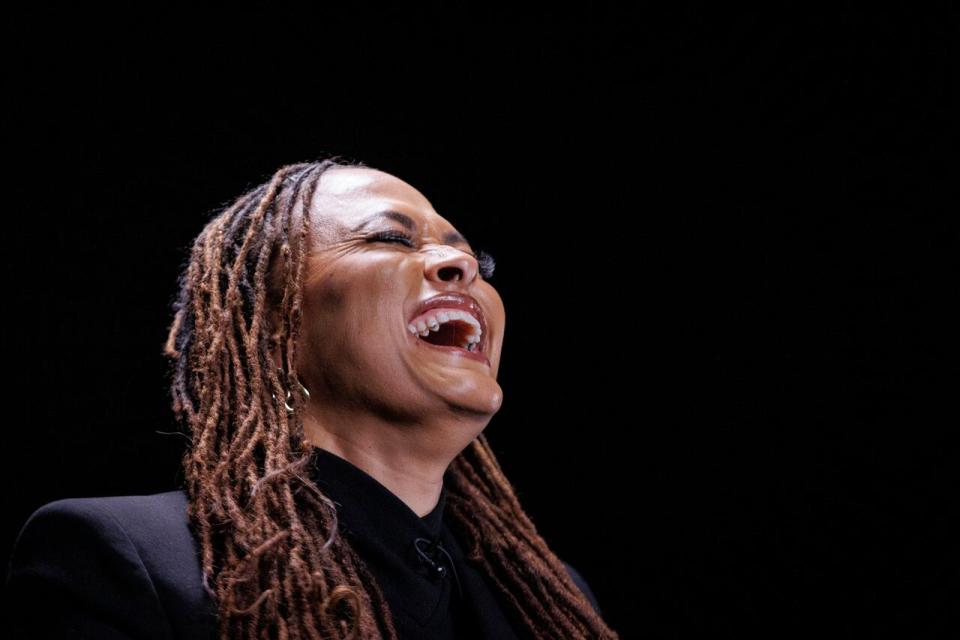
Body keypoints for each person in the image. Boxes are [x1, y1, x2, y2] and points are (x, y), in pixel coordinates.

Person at [3, 157, 618, 639]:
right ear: (277, 327)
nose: (459, 264)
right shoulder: (123, 559)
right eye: (389, 237)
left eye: (470, 254)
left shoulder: (550, 596)